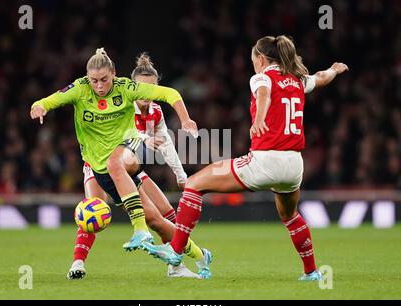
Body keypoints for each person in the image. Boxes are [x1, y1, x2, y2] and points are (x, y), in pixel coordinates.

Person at [142, 35, 349, 281]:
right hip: (294, 165)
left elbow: (263, 94)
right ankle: (312, 272)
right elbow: (321, 78)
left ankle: (175, 252)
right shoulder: (297, 79)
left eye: (253, 59)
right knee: (290, 216)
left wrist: (259, 118)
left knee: (195, 184)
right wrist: (334, 70)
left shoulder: (261, 77)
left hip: (265, 161)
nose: (253, 64)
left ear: (261, 58)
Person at [30, 48, 211, 279]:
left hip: (127, 155)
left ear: (114, 74)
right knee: (154, 219)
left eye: (104, 79)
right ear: (87, 77)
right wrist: (40, 106)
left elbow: (170, 98)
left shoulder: (129, 91)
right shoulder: (80, 89)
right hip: (97, 166)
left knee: (120, 166)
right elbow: (50, 99)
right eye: (94, 80)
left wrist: (185, 122)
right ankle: (199, 254)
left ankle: (142, 233)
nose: (99, 86)